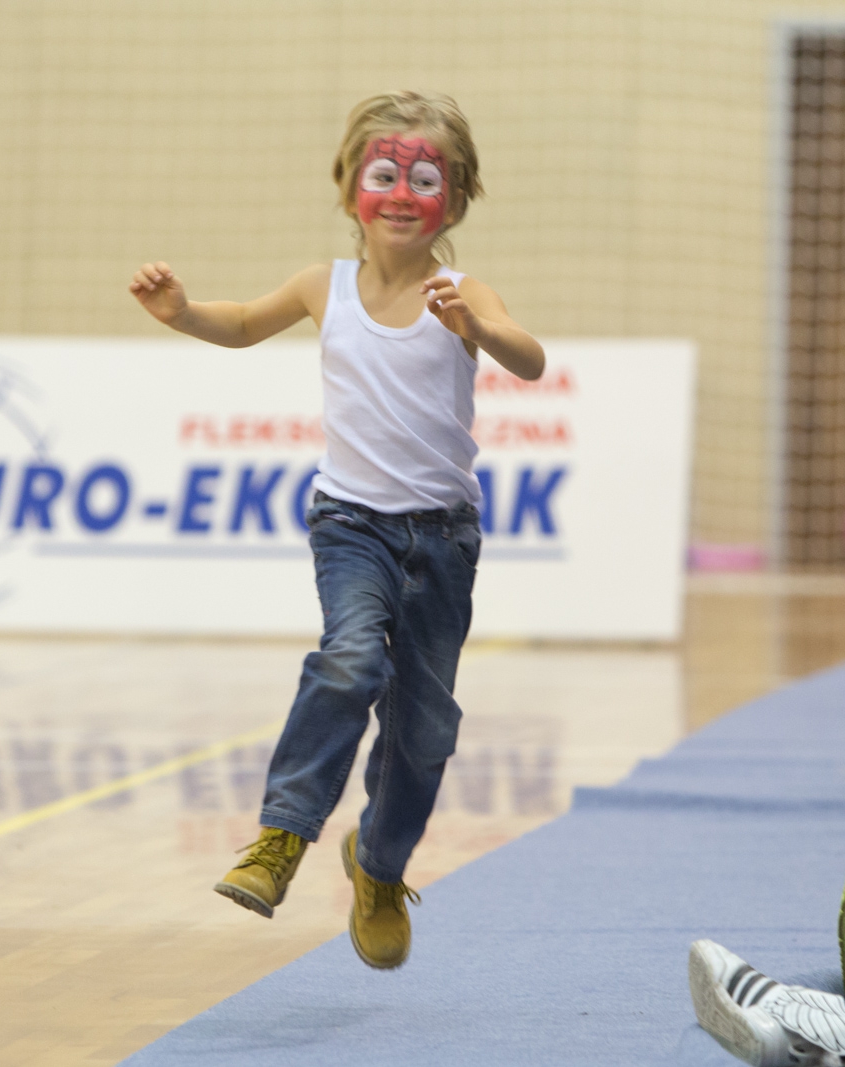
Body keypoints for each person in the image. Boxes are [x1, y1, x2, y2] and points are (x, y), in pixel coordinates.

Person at [127, 91, 545, 970]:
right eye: (384, 174)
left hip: (442, 539)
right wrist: (184, 313)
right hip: (351, 523)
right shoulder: (326, 286)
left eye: (423, 179)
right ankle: (283, 833)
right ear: (353, 185)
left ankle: (380, 865)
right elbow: (242, 324)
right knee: (352, 657)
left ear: (455, 198)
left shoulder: (459, 292)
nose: (401, 192)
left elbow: (528, 354)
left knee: (424, 728)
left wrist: (479, 327)